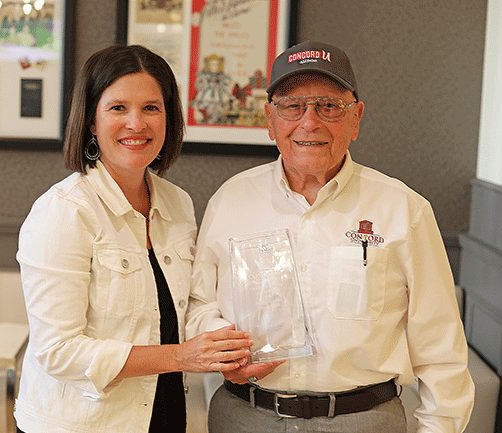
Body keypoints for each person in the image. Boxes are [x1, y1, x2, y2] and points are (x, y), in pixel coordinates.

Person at [186, 40, 475, 432]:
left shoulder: (404, 209)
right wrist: (226, 348)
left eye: (329, 106)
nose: (310, 122)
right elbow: (198, 304)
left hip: (364, 420)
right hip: (243, 417)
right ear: (270, 119)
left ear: (356, 117)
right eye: (292, 106)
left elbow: (441, 346)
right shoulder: (230, 202)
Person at [14, 45, 252, 433]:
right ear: (91, 120)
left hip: (164, 413)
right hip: (80, 424)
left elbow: (189, 306)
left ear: (169, 118)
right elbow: (58, 352)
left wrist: (231, 352)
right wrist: (181, 357)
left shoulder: (178, 203)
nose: (136, 123)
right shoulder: (64, 211)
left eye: (151, 108)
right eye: (118, 108)